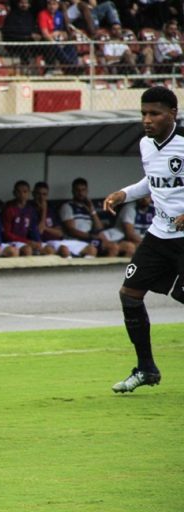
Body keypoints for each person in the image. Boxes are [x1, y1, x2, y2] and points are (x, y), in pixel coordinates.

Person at [102, 86, 184, 393]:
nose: (147, 120)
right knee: (130, 294)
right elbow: (152, 181)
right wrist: (124, 193)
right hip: (160, 234)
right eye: (143, 114)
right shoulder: (146, 145)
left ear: (172, 114)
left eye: (154, 114)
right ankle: (147, 369)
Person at [59, 177, 130, 256]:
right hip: (76, 240)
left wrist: (92, 211)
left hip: (88, 239)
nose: (81, 193)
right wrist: (91, 236)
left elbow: (99, 228)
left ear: (87, 191)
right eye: (78, 190)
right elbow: (71, 230)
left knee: (117, 247)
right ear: (73, 191)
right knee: (112, 247)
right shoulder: (68, 206)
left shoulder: (88, 208)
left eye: (83, 190)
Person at [33, 181, 98, 257]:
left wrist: (46, 228)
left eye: (44, 194)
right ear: (33, 194)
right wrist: (44, 210)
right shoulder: (30, 210)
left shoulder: (51, 210)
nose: (41, 198)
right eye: (38, 194)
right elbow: (40, 230)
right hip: (45, 242)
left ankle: (82, 268)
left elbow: (60, 233)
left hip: (60, 241)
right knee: (64, 250)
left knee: (92, 250)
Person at [2, 180, 54, 256]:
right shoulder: (9, 209)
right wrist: (27, 241)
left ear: (29, 193)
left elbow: (34, 228)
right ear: (14, 193)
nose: (22, 194)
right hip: (11, 241)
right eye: (19, 192)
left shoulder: (30, 210)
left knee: (49, 250)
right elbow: (6, 234)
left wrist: (38, 241)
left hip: (25, 241)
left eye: (25, 192)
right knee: (27, 250)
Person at [37, 0, 79, 72]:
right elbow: (45, 34)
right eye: (49, 4)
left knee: (70, 45)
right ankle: (70, 65)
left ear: (58, 5)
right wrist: (54, 39)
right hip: (47, 41)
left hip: (59, 39)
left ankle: (75, 65)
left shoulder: (60, 14)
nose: (52, 6)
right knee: (55, 46)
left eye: (54, 4)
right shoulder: (42, 14)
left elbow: (64, 33)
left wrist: (61, 35)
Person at [2, 0, 42, 67]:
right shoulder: (11, 16)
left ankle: (45, 66)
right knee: (24, 43)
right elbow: (9, 32)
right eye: (22, 3)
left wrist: (36, 35)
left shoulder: (31, 16)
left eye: (26, 3)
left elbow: (34, 29)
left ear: (29, 5)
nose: (24, 5)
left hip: (29, 41)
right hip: (14, 41)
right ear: (18, 4)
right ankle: (26, 65)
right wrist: (28, 35)